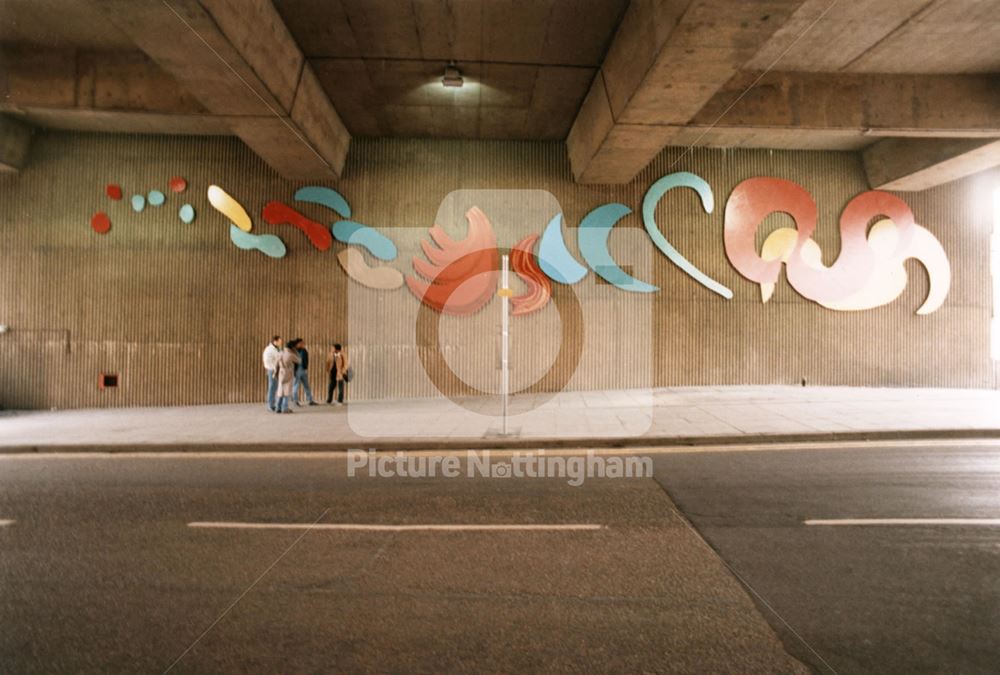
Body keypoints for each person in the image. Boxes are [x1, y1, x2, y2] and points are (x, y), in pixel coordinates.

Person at [274, 341, 301, 413]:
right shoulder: (290, 354)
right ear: (292, 347)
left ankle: (278, 407)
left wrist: (275, 373)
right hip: (288, 373)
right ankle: (285, 408)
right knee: (287, 391)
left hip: (281, 373)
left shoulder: (280, 353)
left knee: (280, 390)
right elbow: (299, 360)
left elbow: (276, 364)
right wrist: (295, 351)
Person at [291, 338, 316, 406]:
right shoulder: (293, 350)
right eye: (301, 343)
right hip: (297, 370)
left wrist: (305, 368)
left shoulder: (304, 350)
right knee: (295, 386)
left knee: (306, 385)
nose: (303, 344)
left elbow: (305, 360)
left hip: (303, 369)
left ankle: (310, 400)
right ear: (298, 344)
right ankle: (295, 401)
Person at [262, 335, 282, 412]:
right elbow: (267, 361)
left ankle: (273, 404)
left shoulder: (277, 349)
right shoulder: (269, 349)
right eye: (279, 341)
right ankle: (270, 405)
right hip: (272, 370)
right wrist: (273, 368)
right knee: (272, 387)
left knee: (275, 387)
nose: (280, 342)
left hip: (276, 370)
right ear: (275, 341)